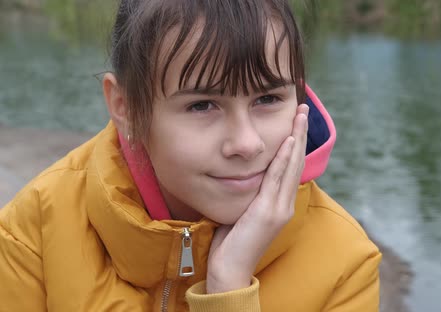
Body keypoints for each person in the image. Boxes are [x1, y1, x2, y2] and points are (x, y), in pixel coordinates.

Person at [0, 0, 382, 311]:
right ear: (126, 106)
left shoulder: (345, 267)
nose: (246, 144)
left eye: (267, 99)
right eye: (203, 106)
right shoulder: (35, 230)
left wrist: (228, 288)